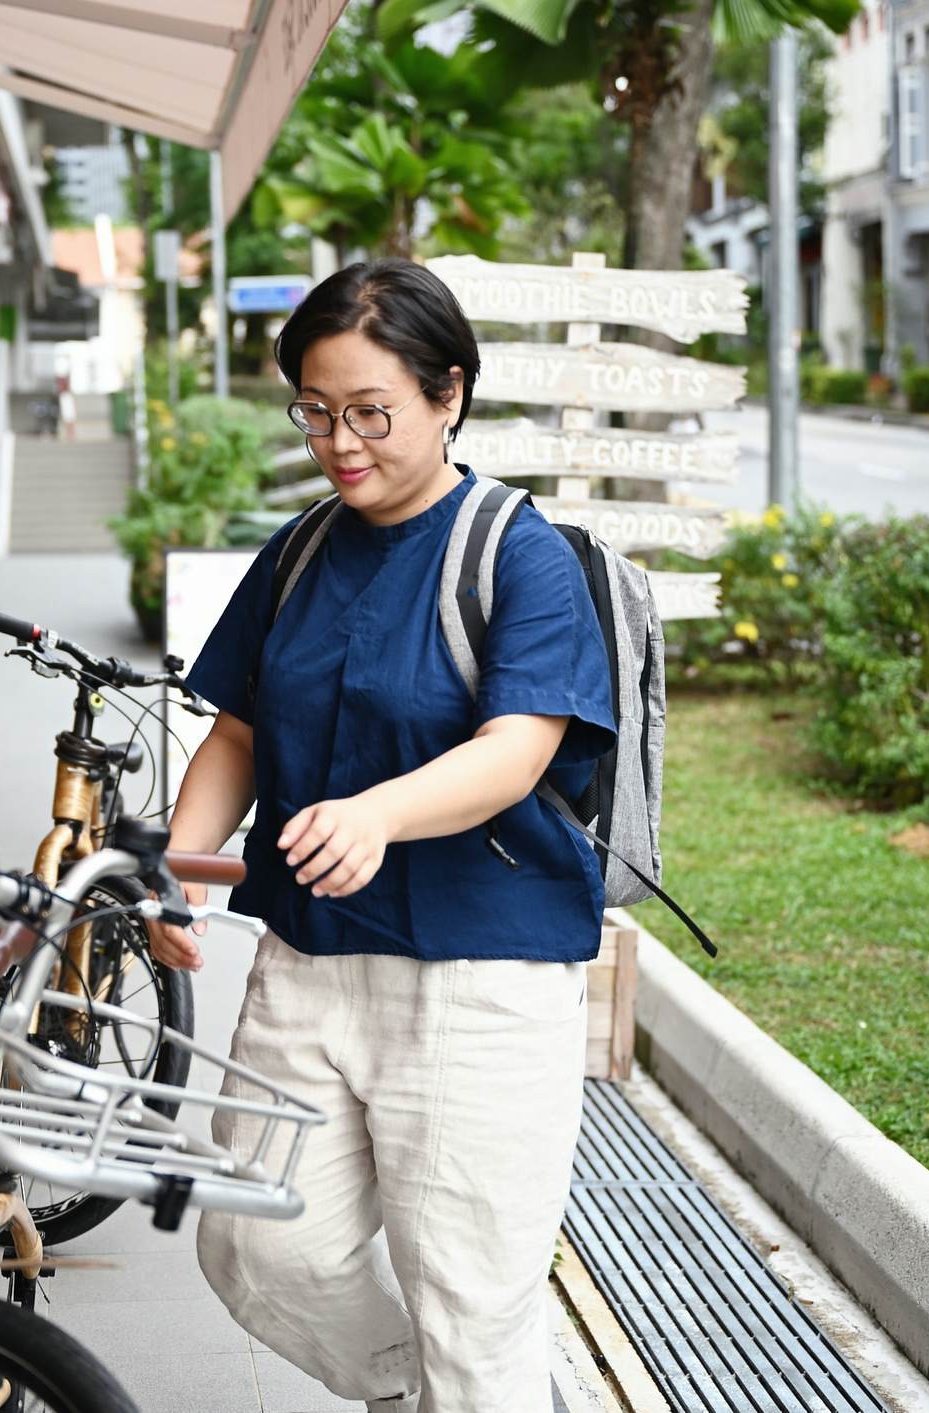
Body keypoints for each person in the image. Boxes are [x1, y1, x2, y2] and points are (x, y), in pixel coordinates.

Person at [151, 259, 615, 1413]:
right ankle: (420, 1394)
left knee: (471, 1302)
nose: (340, 442)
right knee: (257, 1246)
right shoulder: (303, 547)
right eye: (316, 412)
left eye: (371, 413)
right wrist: (176, 875)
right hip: (310, 961)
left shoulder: (517, 550)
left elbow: (516, 750)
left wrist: (380, 812)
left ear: (448, 394)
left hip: (481, 978)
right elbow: (238, 734)